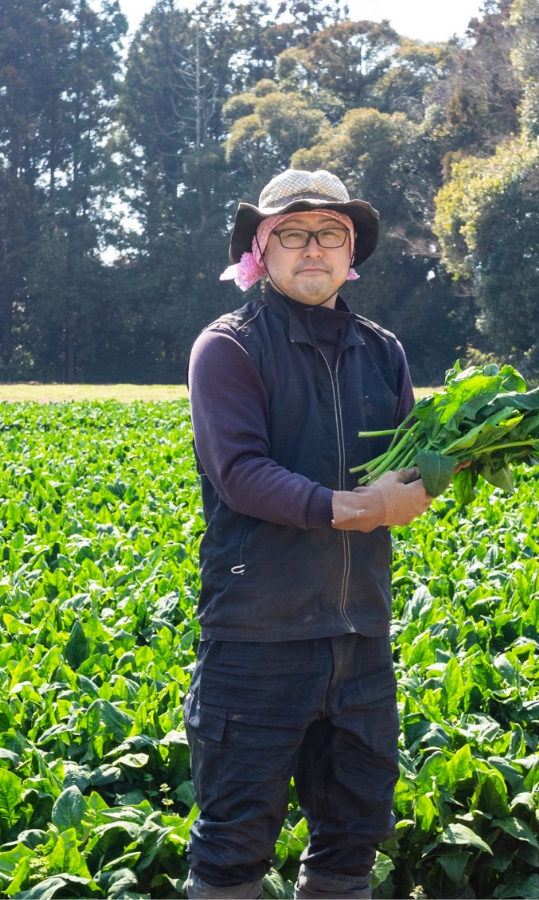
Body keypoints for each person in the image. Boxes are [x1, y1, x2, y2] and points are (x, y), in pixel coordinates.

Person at [184, 169, 434, 900]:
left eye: (330, 232)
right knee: (232, 849)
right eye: (293, 233)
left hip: (360, 638)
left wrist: (436, 478)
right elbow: (243, 475)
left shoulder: (382, 350)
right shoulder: (228, 348)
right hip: (257, 641)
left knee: (352, 842)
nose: (314, 248)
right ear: (261, 249)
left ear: (350, 248)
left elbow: (416, 466)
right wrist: (360, 508)